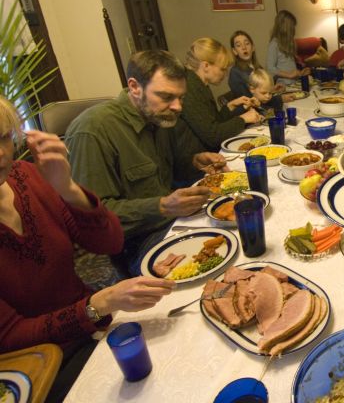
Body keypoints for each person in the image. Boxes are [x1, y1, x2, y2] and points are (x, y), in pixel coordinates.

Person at [0, 101, 174, 400]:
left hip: (91, 329)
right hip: (41, 367)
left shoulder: (25, 176)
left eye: (3, 137)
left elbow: (110, 243)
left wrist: (68, 188)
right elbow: (11, 339)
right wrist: (98, 304)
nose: (1, 154)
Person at [65, 50, 228, 275]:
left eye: (181, 97)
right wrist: (161, 206)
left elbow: (167, 173)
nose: (178, 107)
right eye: (167, 96)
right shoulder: (93, 129)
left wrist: (194, 162)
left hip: (173, 221)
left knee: (237, 228)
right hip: (134, 244)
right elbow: (94, 220)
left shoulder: (158, 116)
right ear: (134, 87)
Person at [177, 37, 262, 158]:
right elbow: (213, 136)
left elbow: (212, 122)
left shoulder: (199, 83)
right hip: (197, 162)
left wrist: (230, 106)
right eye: (222, 69)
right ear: (206, 66)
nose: (225, 73)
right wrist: (243, 119)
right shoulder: (190, 89)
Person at [228, 30, 294, 114]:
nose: (244, 47)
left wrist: (272, 90)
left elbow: (262, 95)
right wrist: (279, 99)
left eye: (247, 43)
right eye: (238, 45)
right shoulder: (235, 73)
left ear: (253, 47)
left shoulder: (257, 67)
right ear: (234, 51)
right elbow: (251, 102)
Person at [266, 10, 310, 87]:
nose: (294, 30)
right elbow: (270, 68)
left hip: (295, 83)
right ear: (285, 28)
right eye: (292, 27)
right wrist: (289, 75)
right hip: (283, 84)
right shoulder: (274, 44)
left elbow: (290, 66)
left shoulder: (290, 42)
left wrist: (301, 72)